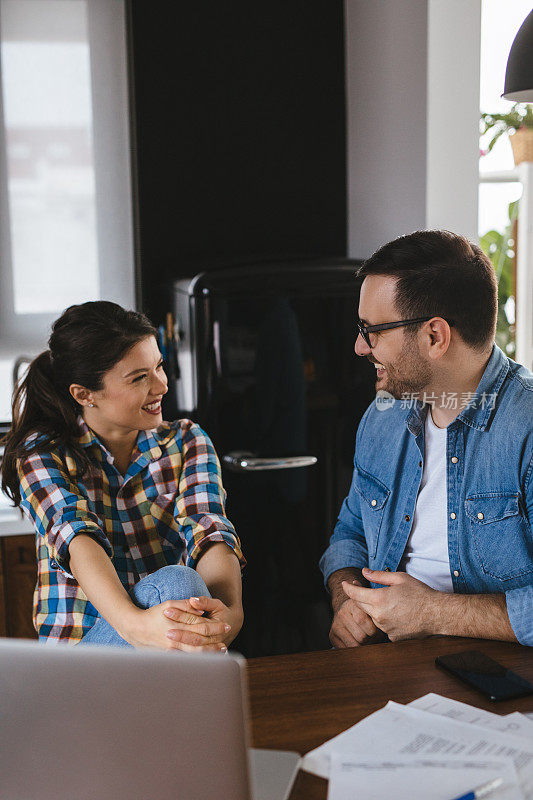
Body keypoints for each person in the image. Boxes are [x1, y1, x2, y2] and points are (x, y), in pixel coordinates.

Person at [320, 230, 533, 648]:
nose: (360, 347)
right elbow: (350, 534)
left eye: (372, 330)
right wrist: (347, 599)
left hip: (501, 680)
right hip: (390, 667)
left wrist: (433, 613)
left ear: (435, 336)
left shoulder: (525, 429)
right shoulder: (382, 416)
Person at [1, 301, 245, 651]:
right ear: (84, 394)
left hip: (168, 643)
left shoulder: (187, 440)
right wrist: (138, 627)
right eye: (139, 378)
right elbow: (76, 536)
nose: (161, 385)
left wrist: (230, 614)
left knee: (185, 601)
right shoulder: (42, 453)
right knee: (178, 584)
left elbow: (208, 527)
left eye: (158, 366)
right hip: (85, 660)